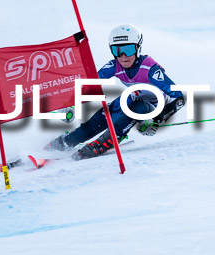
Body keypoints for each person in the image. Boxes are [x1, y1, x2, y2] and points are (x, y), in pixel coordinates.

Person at [45, 23, 185, 159]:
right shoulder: (114, 65)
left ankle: (105, 142)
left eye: (129, 49)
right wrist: (70, 103)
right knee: (93, 124)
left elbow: (178, 98)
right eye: (117, 50)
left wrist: (156, 120)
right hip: (130, 100)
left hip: (151, 107)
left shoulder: (150, 69)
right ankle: (63, 142)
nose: (123, 56)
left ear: (138, 48)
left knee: (138, 107)